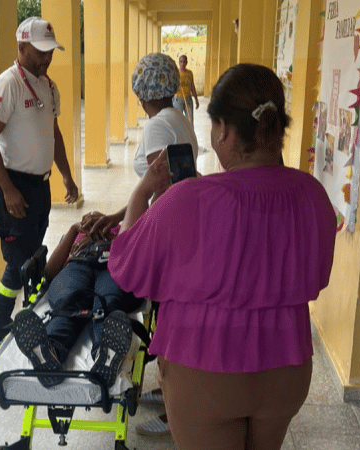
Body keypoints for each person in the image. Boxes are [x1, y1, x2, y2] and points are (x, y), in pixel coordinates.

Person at [108, 63, 337, 449]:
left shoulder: (187, 200)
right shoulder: (313, 194)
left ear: (223, 130)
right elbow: (315, 276)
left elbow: (126, 266)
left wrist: (141, 192)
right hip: (285, 366)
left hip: (203, 366)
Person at [0, 17, 79, 340]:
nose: (47, 58)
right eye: (40, 52)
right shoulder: (6, 85)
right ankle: (0, 319)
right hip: (14, 186)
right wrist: (7, 189)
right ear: (22, 47)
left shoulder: (49, 87)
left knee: (34, 255)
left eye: (50, 52)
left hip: (40, 185)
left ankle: (30, 314)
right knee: (19, 260)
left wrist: (67, 176)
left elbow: (54, 135)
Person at [11, 214, 140, 388]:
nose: (93, 220)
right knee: (68, 305)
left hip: (113, 264)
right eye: (88, 220)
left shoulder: (122, 228)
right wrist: (73, 232)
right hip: (77, 265)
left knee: (107, 303)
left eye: (99, 218)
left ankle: (106, 354)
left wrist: (114, 240)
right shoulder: (77, 236)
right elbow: (49, 273)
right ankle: (49, 353)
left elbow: (138, 256)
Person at [85, 53, 198, 240]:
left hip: (165, 225)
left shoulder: (157, 126)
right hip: (180, 217)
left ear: (142, 93)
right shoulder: (179, 118)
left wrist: (135, 232)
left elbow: (162, 189)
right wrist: (118, 217)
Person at [172, 55, 199, 124]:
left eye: (184, 62)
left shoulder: (189, 73)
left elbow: (192, 86)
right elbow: (171, 87)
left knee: (190, 121)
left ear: (187, 63)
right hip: (178, 99)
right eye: (181, 62)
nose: (182, 64)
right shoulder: (175, 73)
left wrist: (196, 99)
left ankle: (190, 134)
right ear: (179, 62)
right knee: (178, 120)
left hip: (188, 99)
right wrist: (177, 83)